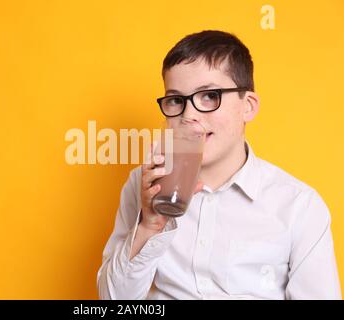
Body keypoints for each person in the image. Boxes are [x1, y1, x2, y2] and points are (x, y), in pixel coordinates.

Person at [97, 30, 341, 300]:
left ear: (247, 106)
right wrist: (149, 224)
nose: (189, 115)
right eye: (176, 100)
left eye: (209, 96)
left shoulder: (299, 206)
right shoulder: (145, 185)